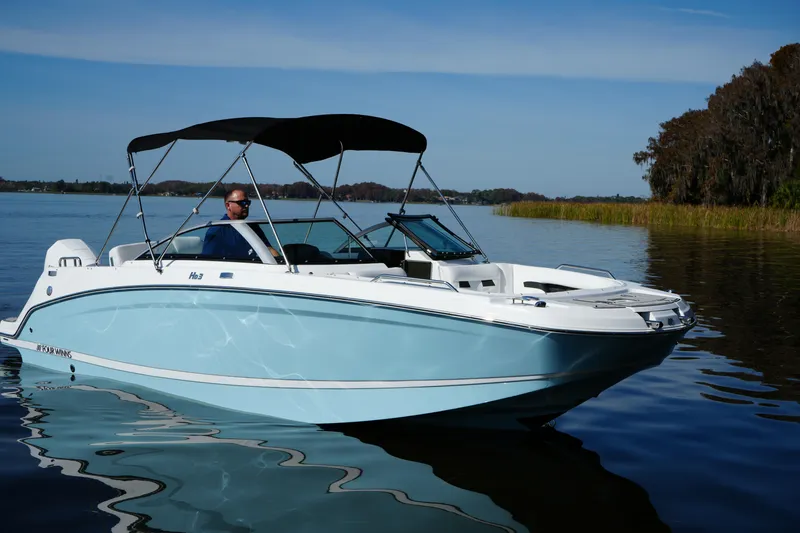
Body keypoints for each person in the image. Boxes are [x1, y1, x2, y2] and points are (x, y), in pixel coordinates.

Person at [202, 189, 280, 259]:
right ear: (228, 205)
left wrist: (282, 262)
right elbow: (207, 261)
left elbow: (268, 249)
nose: (246, 205)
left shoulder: (252, 227)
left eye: (247, 202)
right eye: (242, 203)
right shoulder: (217, 230)